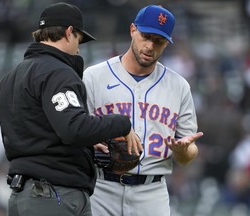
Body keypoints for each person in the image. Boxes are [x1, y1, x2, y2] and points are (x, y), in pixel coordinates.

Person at [0, 2, 143, 216]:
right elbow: (73, 128)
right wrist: (121, 124)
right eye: (79, 39)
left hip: (23, 194)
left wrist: (88, 143)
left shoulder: (10, 77)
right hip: (53, 195)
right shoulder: (57, 72)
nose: (79, 47)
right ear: (69, 32)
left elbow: (41, 130)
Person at [83, 5, 204, 216]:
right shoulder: (94, 77)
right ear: (132, 30)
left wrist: (183, 151)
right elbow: (75, 130)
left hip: (152, 192)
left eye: (158, 41)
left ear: (167, 42)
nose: (150, 46)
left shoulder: (179, 86)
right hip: (102, 187)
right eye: (145, 36)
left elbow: (188, 154)